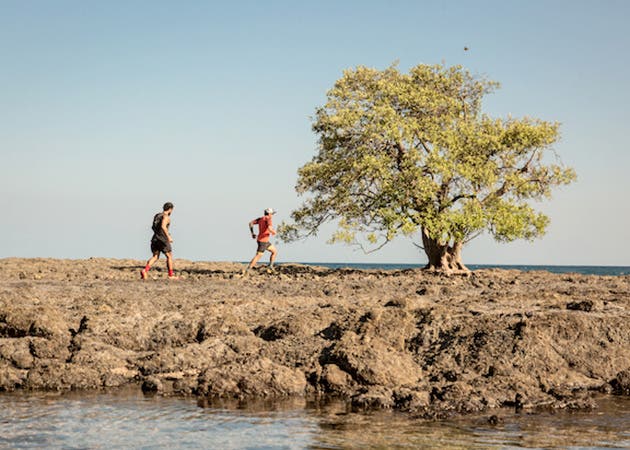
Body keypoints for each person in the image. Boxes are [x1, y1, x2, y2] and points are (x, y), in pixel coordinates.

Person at [141, 202, 176, 280]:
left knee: (155, 256)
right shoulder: (166, 217)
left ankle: (145, 270)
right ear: (170, 209)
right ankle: (170, 275)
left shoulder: (157, 216)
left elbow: (153, 227)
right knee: (169, 256)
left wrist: (157, 233)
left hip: (155, 238)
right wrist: (169, 236)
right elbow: (163, 227)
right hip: (162, 239)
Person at [244, 208, 278, 274]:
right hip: (263, 241)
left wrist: (252, 233)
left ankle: (270, 266)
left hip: (264, 241)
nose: (272, 215)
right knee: (258, 256)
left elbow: (250, 223)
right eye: (272, 214)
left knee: (274, 252)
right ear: (269, 214)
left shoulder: (260, 219)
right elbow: (269, 228)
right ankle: (248, 270)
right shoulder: (268, 219)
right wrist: (273, 232)